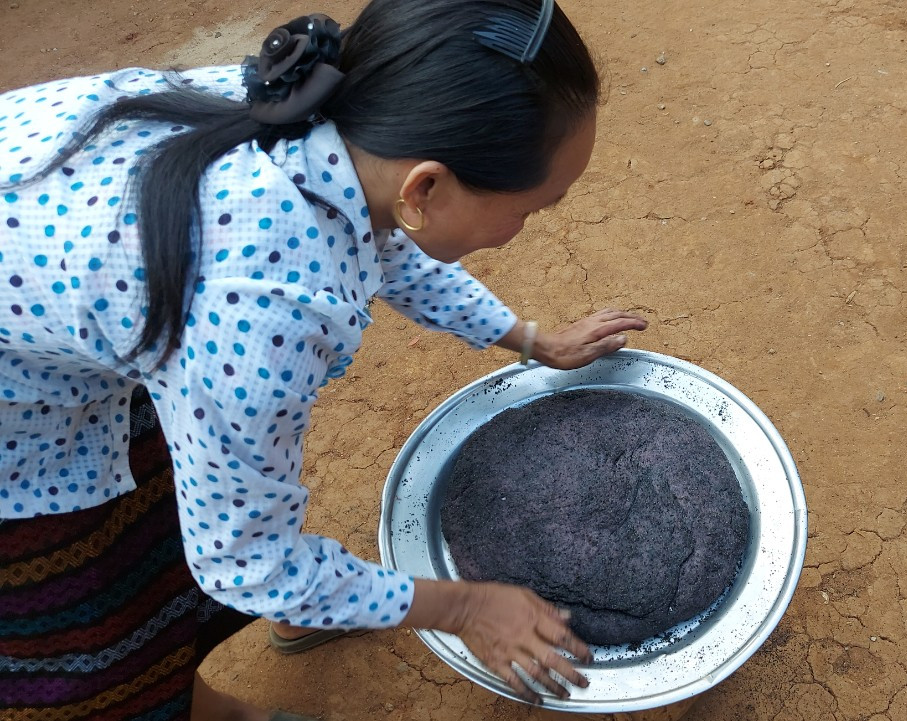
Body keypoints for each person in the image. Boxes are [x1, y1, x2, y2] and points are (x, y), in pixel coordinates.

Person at [0, 0, 648, 718]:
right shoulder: (260, 313)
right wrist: (466, 605)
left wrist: (531, 339)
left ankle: (321, 603)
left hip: (78, 298)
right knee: (106, 619)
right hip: (18, 424)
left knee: (186, 489)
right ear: (426, 186)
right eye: (533, 207)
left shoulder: (319, 107)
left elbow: (388, 237)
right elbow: (246, 561)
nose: (527, 227)